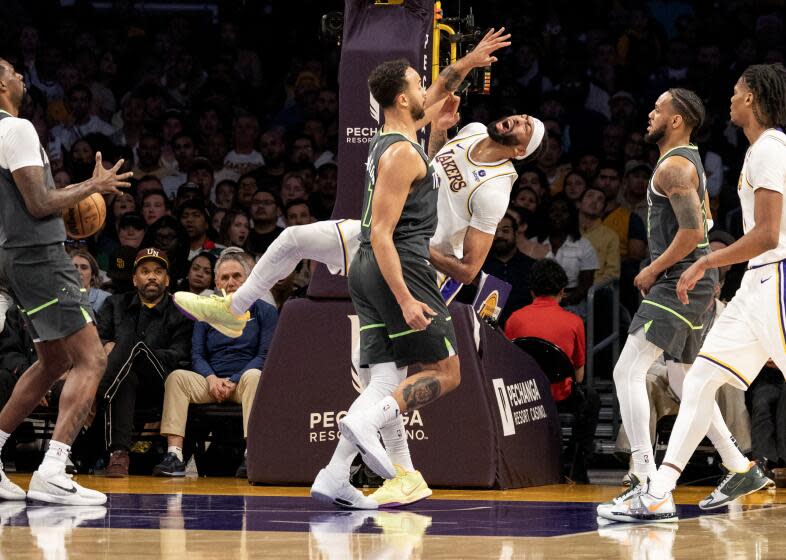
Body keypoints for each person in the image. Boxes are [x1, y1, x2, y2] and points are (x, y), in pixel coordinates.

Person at [172, 31, 537, 509]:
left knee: (383, 378)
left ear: (522, 150)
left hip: (414, 259)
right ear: (406, 98)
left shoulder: (493, 189)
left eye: (528, 126)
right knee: (294, 239)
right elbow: (436, 103)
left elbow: (469, 270)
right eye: (418, 87)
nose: (518, 120)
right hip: (390, 245)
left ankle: (342, 472)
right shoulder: (455, 134)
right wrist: (461, 78)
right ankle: (236, 309)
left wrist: (424, 258)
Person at [598, 67, 786, 522]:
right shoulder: (757, 151)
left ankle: (646, 475)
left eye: (738, 91)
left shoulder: (768, 149)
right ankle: (670, 487)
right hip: (751, 283)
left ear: (754, 98)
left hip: (771, 275)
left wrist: (702, 261)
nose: (732, 98)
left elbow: (764, 234)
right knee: (696, 379)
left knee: (636, 370)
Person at [0, 58, 131, 504]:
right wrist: (91, 186)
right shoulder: (17, 130)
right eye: (12, 71)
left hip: (15, 257)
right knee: (92, 360)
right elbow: (38, 204)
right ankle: (53, 469)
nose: (20, 76)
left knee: (54, 362)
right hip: (38, 256)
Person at [154, 250, 277, 478]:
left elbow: (265, 355)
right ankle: (174, 456)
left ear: (248, 279)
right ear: (216, 282)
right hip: (211, 383)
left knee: (255, 375)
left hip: (243, 383)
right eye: (224, 278)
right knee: (177, 378)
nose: (231, 282)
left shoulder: (265, 311)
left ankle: (252, 455)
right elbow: (197, 355)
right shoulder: (205, 312)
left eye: (237, 276)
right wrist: (211, 379)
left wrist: (233, 380)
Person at [96, 248, 193, 477]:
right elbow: (96, 340)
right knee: (126, 375)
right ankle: (119, 455)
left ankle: (96, 397)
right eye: (145, 271)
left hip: (160, 383)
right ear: (134, 278)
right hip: (122, 383)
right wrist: (104, 346)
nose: (152, 276)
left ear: (167, 279)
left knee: (133, 347)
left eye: (158, 272)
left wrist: (127, 351)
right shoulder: (114, 304)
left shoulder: (181, 311)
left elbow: (179, 355)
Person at [504, 259, 600, 482]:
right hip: (559, 395)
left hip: (525, 398)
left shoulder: (514, 319)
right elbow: (578, 376)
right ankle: (574, 467)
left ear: (531, 290)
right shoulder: (574, 321)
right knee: (591, 398)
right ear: (562, 291)